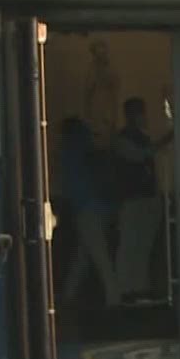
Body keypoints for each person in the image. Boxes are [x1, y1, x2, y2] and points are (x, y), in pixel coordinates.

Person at [53, 117, 121, 309]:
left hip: (84, 209)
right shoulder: (88, 151)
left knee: (91, 257)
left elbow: (67, 185)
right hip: (98, 208)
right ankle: (107, 298)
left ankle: (108, 299)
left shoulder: (67, 154)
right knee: (91, 257)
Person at [111, 97, 172, 302]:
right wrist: (163, 142)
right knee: (129, 244)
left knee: (144, 245)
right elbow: (138, 156)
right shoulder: (123, 139)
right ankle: (124, 289)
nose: (143, 117)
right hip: (131, 198)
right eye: (139, 112)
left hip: (147, 197)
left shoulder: (143, 137)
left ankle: (139, 287)